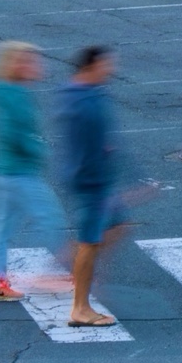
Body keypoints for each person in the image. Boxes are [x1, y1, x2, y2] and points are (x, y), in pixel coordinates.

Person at [0, 41, 68, 302]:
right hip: (18, 171)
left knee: (2, 228)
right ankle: (58, 272)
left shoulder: (5, 91)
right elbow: (11, 133)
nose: (36, 65)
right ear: (13, 65)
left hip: (0, 170)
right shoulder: (13, 95)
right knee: (51, 218)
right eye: (29, 61)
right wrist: (38, 149)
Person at [58, 45, 130, 328]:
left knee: (117, 225)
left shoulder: (88, 95)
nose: (111, 70)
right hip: (92, 183)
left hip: (98, 181)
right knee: (89, 243)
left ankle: (77, 269)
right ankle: (80, 308)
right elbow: (83, 147)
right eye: (106, 65)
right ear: (91, 66)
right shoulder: (82, 102)